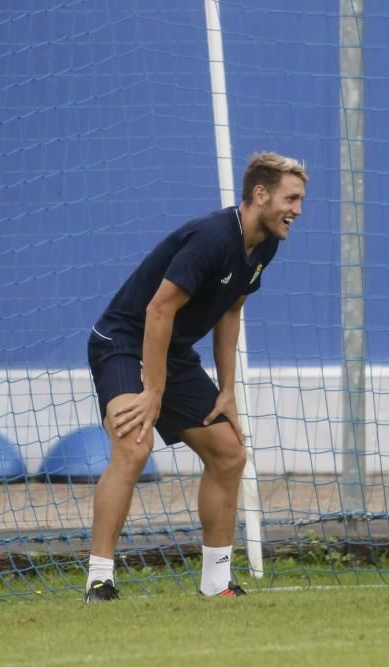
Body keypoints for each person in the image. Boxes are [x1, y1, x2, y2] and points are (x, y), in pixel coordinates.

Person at [83, 152, 307, 602]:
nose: (297, 210)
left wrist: (227, 390)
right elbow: (157, 310)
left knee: (229, 453)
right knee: (134, 444)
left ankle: (216, 582)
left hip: (172, 350)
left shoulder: (266, 244)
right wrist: (151, 392)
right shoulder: (211, 238)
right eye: (292, 198)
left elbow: (231, 309)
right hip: (124, 341)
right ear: (260, 194)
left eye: (300, 201)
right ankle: (99, 580)